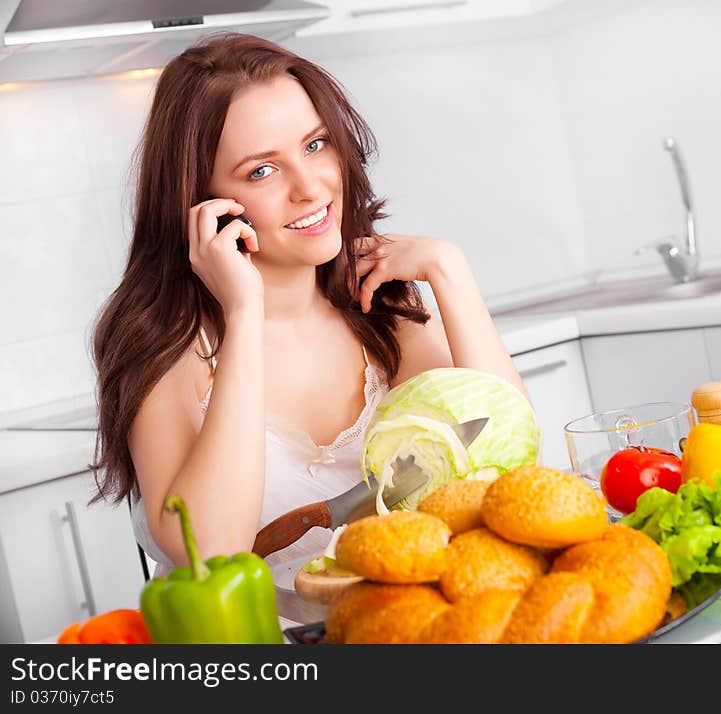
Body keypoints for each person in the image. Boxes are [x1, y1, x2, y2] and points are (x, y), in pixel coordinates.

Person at [90, 32, 526, 577]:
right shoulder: (166, 342)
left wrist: (449, 272)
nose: (310, 187)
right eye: (261, 171)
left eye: (316, 144)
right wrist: (243, 313)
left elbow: (510, 471)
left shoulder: (378, 305)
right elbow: (211, 552)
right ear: (202, 202)